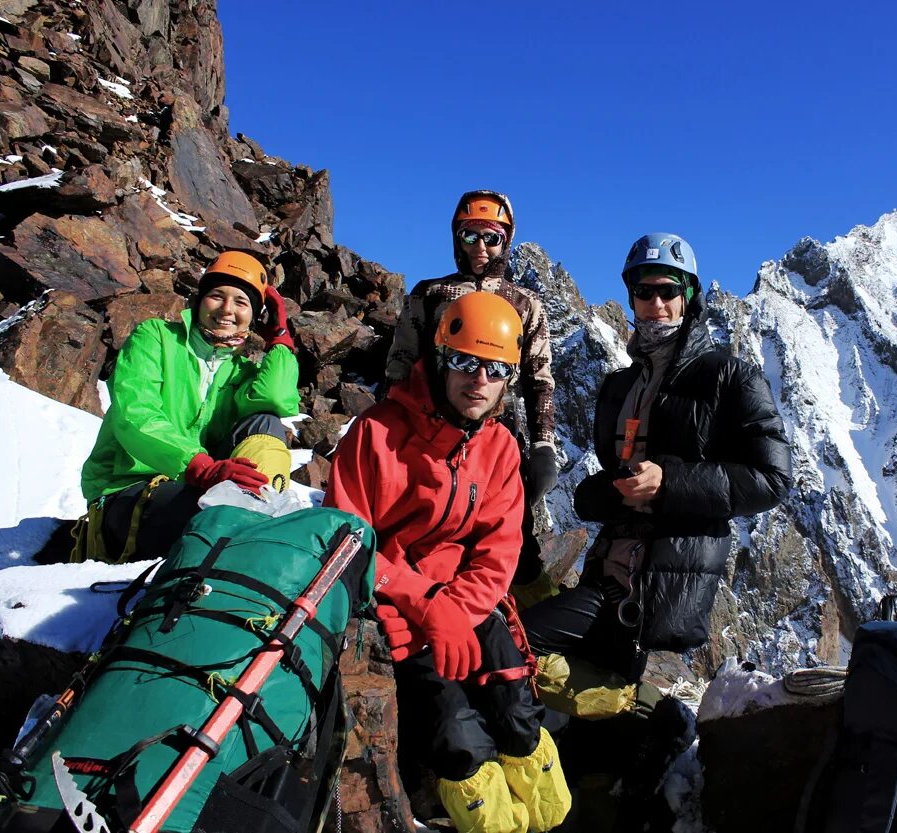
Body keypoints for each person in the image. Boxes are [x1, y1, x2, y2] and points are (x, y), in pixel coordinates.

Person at [520, 233, 792, 824]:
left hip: (664, 584)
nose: (657, 305)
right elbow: (604, 482)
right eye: (644, 292)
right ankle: (647, 725)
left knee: (518, 641)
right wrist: (603, 491)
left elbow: (772, 478)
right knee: (589, 713)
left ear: (689, 297)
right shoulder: (619, 385)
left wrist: (668, 484)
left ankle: (631, 735)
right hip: (608, 569)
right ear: (631, 298)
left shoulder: (729, 375)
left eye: (670, 291)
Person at [326, 292, 571, 833]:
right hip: (394, 611)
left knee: (518, 716)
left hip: (472, 605)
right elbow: (346, 544)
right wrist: (428, 607)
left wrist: (458, 611)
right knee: (458, 736)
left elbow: (498, 550)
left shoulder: (501, 448)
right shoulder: (375, 436)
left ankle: (550, 821)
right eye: (465, 361)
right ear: (439, 358)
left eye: (496, 368)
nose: (478, 379)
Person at [384, 190, 559, 605]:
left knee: (511, 530)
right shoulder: (429, 295)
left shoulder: (526, 304)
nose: (480, 247)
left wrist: (544, 443)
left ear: (507, 241)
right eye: (469, 236)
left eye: (491, 237)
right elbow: (400, 364)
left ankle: (527, 620)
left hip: (500, 436)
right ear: (455, 239)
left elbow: (539, 379)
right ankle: (425, 598)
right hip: (429, 431)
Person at [75, 251, 298, 563]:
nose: (227, 310)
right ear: (200, 300)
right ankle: (254, 531)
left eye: (241, 302)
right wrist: (199, 466)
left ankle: (262, 506)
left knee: (264, 421)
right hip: (128, 492)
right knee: (217, 522)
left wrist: (279, 338)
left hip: (200, 492)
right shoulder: (156, 338)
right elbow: (135, 414)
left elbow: (276, 398)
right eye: (217, 296)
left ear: (255, 316)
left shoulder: (238, 373)